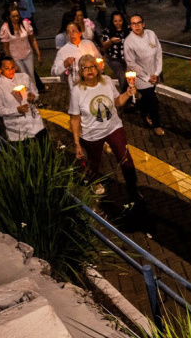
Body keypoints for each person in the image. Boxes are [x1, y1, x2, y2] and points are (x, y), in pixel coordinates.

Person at [69, 54, 139, 199]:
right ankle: (94, 181)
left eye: (92, 66)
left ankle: (133, 189)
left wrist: (127, 93)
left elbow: (117, 102)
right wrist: (76, 143)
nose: (89, 70)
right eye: (85, 68)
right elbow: (75, 118)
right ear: (80, 72)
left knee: (126, 158)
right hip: (92, 134)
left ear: (97, 68)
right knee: (94, 162)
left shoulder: (106, 81)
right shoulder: (77, 91)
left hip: (114, 127)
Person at [123, 14, 165, 136]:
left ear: (143, 23)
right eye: (133, 24)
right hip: (140, 78)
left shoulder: (151, 34)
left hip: (153, 74)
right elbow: (131, 63)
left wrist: (156, 73)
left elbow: (158, 52)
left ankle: (143, 111)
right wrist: (147, 77)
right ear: (130, 26)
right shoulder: (129, 42)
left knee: (147, 99)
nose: (137, 26)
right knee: (153, 101)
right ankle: (156, 125)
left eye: (139, 23)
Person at [0, 56, 46, 142]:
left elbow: (35, 92)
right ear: (0, 69)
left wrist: (33, 96)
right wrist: (16, 110)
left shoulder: (24, 77)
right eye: (7, 68)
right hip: (17, 129)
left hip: (35, 123)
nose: (11, 70)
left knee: (46, 149)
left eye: (12, 67)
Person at [0, 6, 44, 94]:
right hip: (15, 57)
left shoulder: (25, 24)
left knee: (31, 76)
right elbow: (6, 47)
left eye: (17, 16)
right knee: (23, 76)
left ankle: (35, 94)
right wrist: (11, 62)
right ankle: (27, 95)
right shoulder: (5, 28)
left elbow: (32, 39)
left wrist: (38, 54)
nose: (16, 18)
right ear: (9, 17)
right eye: (13, 16)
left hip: (27, 54)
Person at [52, 23, 102, 88]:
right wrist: (65, 64)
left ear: (80, 33)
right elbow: (54, 71)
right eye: (68, 32)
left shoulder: (89, 44)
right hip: (76, 85)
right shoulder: (63, 51)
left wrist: (99, 65)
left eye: (74, 31)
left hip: (92, 82)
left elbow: (99, 59)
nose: (71, 34)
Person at [102, 11, 131, 92]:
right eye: (115, 21)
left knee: (131, 74)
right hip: (113, 58)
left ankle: (133, 95)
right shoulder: (108, 31)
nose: (118, 23)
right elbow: (104, 45)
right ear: (112, 21)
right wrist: (111, 41)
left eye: (120, 21)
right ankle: (125, 95)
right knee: (121, 75)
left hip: (127, 57)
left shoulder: (128, 29)